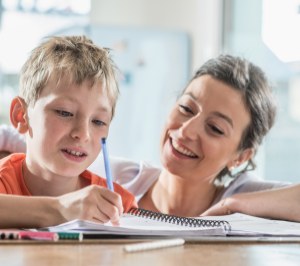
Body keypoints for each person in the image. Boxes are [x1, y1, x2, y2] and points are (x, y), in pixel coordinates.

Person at [1, 55, 298, 222]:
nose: (186, 131)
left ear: (241, 156)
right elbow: (28, 141)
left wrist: (234, 204)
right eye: (185, 108)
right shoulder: (113, 173)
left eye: (215, 128)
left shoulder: (243, 193)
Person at [0, 35, 137, 229]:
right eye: (65, 112)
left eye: (98, 121)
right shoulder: (3, 183)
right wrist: (61, 210)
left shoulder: (119, 205)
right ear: (22, 116)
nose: (83, 134)